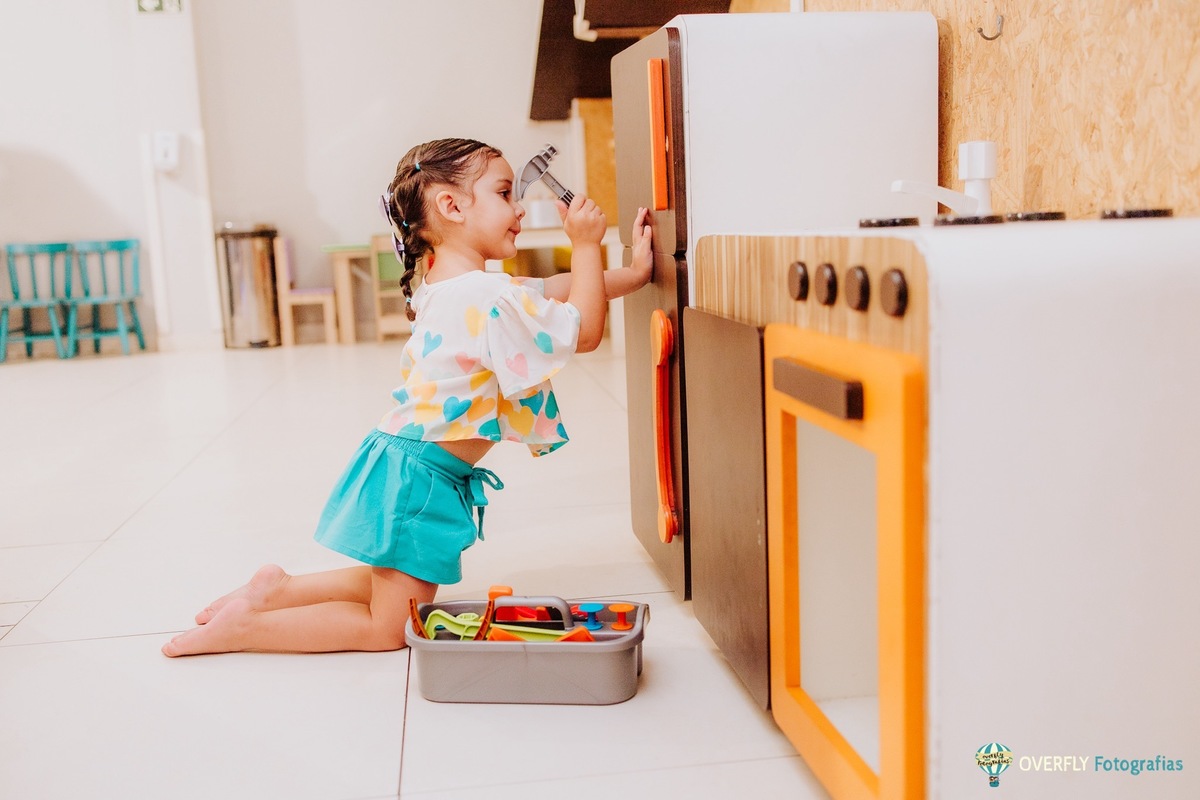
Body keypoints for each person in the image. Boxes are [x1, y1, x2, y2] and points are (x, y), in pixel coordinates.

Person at [162, 137, 653, 656]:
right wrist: (586, 243)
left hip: (411, 464)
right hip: (420, 478)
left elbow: (560, 288)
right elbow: (585, 331)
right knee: (390, 628)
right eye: (505, 193)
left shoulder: (451, 285)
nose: (520, 208)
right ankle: (246, 628)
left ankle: (277, 591)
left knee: (393, 584)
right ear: (452, 206)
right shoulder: (488, 294)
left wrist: (636, 273)